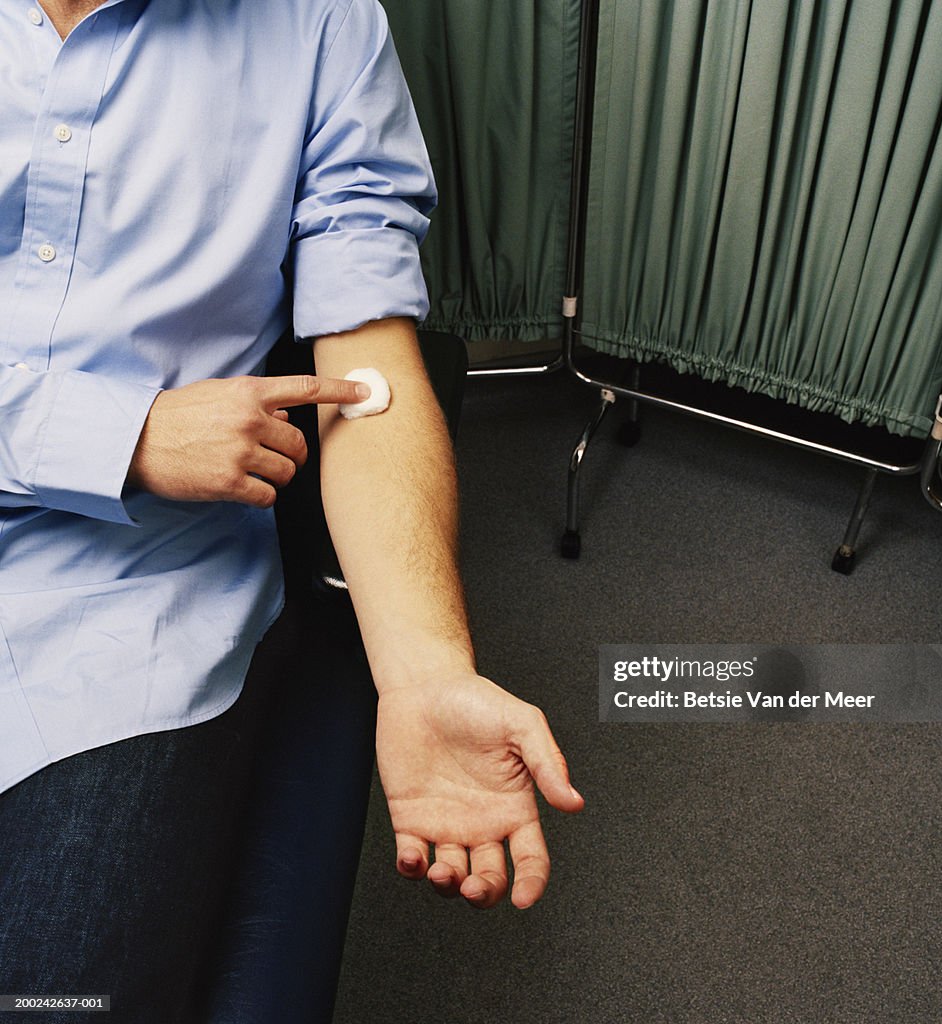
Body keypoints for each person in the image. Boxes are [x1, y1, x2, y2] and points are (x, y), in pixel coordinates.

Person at [0, 0, 583, 1017]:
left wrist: (426, 669)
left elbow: (368, 372)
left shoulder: (319, 23)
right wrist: (120, 435)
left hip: (125, 612)